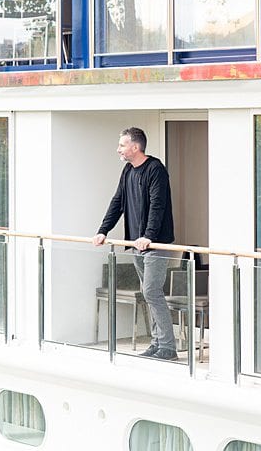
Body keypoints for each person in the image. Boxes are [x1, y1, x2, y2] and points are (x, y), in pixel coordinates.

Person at [93, 127, 177, 360]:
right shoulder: (128, 170)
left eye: (121, 145)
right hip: (137, 244)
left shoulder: (155, 170)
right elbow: (117, 202)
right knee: (148, 291)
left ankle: (168, 347)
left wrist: (149, 235)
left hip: (156, 243)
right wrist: (103, 230)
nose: (118, 149)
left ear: (135, 147)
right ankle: (157, 342)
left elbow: (158, 205)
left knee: (151, 291)